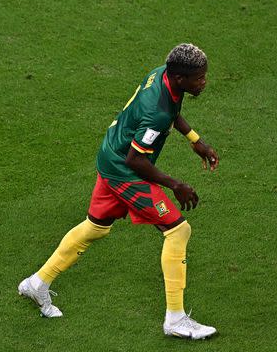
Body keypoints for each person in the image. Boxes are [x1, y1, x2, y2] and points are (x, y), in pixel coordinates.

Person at [19, 43, 220, 340]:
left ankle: (37, 283)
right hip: (125, 169)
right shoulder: (157, 112)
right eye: (199, 78)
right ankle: (175, 319)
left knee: (95, 228)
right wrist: (176, 185)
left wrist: (194, 139)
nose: (204, 82)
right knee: (178, 231)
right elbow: (136, 160)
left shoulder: (162, 75)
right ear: (179, 78)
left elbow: (173, 108)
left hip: (110, 152)